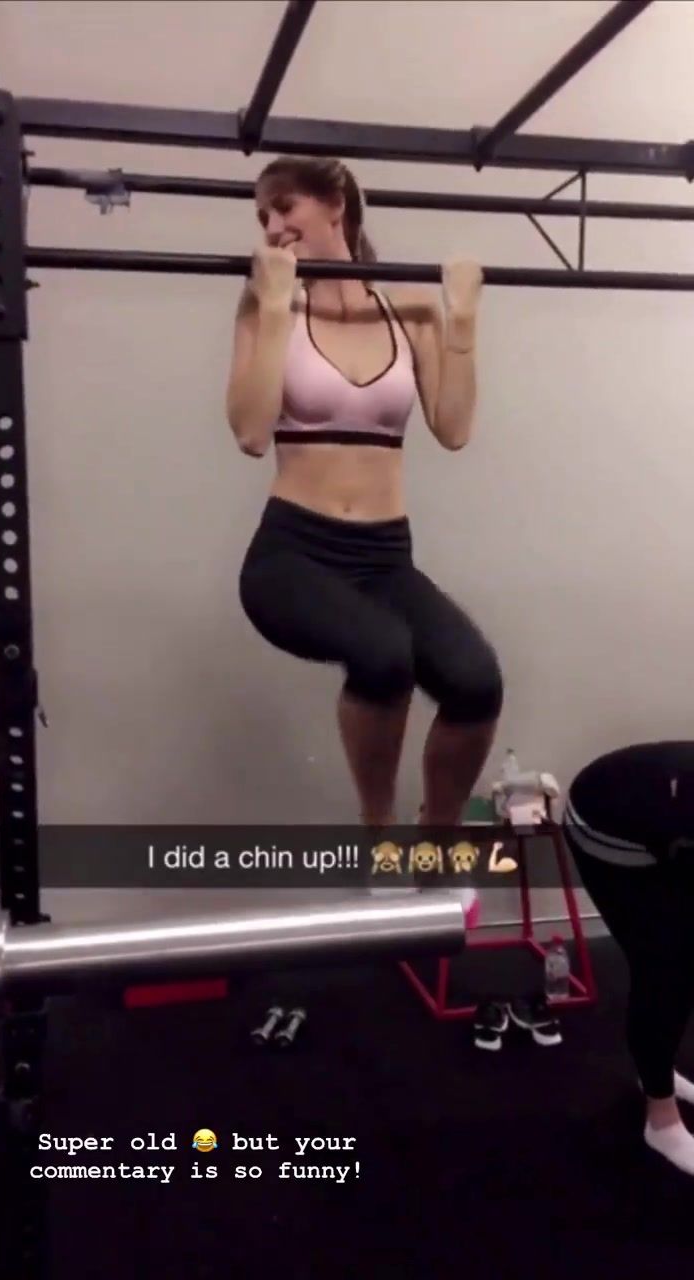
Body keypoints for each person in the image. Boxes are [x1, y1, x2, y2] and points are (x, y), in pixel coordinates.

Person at [226, 155, 503, 839]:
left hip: (384, 557)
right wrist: (272, 306)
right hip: (293, 555)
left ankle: (437, 840)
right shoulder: (268, 305)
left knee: (476, 683)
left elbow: (454, 428)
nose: (273, 228)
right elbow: (252, 433)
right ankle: (378, 831)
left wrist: (463, 321)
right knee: (383, 656)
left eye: (285, 208)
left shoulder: (408, 309)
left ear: (336, 205)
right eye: (263, 218)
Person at [564, 742, 694, 1175]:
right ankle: (662, 1123)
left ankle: (656, 1068)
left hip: (669, 821)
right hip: (608, 823)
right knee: (665, 968)